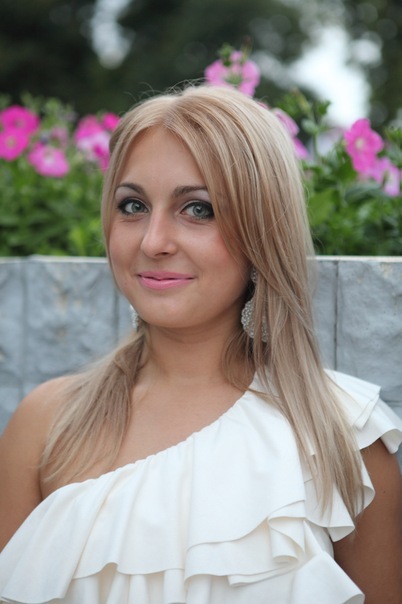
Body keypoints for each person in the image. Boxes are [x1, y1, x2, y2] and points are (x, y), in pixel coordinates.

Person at [0, 84, 401, 604]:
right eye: (133, 205)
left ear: (263, 230)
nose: (153, 242)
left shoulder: (342, 435)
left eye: (198, 209)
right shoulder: (46, 424)